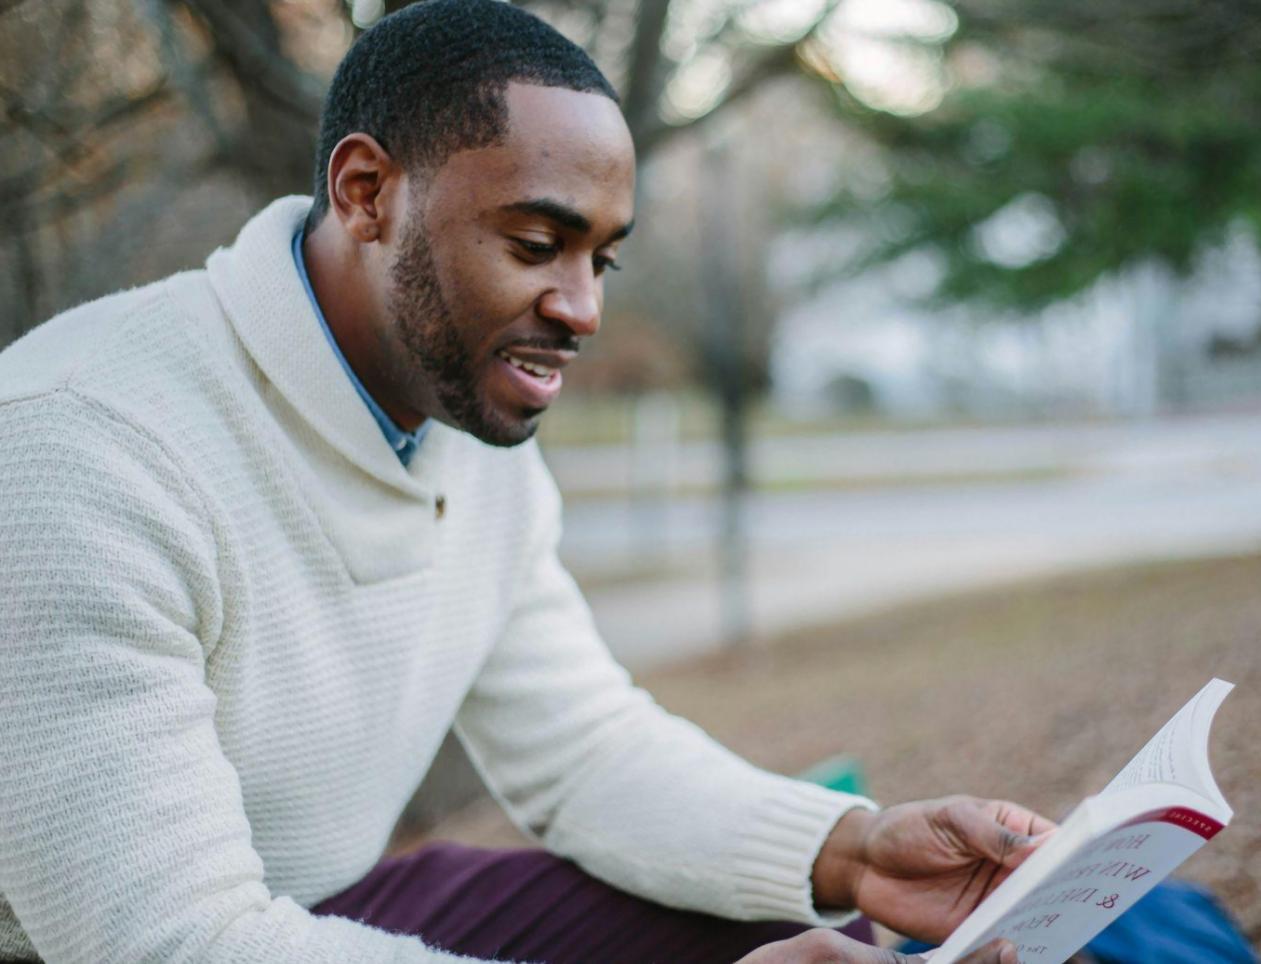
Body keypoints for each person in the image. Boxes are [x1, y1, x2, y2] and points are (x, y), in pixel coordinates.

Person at [0, 2, 1051, 961]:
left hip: (324, 906)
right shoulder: (80, 451)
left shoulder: (461, 417)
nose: (583, 307)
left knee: (790, 923)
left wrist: (855, 849)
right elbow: (171, 942)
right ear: (366, 193)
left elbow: (584, 751)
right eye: (538, 244)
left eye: (602, 259)